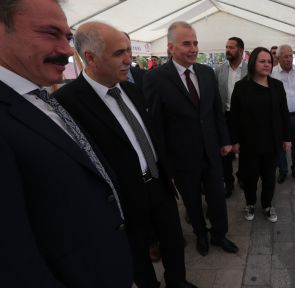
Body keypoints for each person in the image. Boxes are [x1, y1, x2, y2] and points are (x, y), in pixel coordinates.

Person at [0, 0, 133, 286]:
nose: (66, 50)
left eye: (67, 37)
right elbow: (13, 260)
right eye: (50, 33)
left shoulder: (39, 97)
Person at [54, 22, 196, 288]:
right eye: (119, 53)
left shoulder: (131, 88)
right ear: (90, 58)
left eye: (129, 51)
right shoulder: (67, 103)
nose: (129, 59)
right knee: (137, 257)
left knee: (174, 244)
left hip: (158, 184)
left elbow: (149, 133)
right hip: (123, 199)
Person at [143, 21, 238, 257]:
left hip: (212, 150)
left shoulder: (206, 73)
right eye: (187, 44)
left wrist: (225, 140)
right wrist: (165, 165)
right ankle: (201, 235)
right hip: (182, 157)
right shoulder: (155, 78)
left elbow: (216, 111)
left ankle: (219, 234)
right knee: (192, 201)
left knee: (217, 197)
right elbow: (156, 125)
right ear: (171, 47)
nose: (193, 48)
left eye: (195, 43)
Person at [230, 47, 291, 222]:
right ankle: (250, 203)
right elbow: (233, 117)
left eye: (269, 62)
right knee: (250, 177)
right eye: (262, 61)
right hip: (249, 143)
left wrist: (287, 138)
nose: (267, 65)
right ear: (253, 63)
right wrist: (234, 141)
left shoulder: (277, 86)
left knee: (269, 177)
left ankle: (267, 204)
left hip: (272, 142)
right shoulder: (241, 87)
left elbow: (284, 114)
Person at [214, 36, 248, 198]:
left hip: (244, 117)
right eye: (227, 46)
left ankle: (242, 176)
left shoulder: (250, 69)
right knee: (225, 152)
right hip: (225, 116)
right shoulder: (219, 70)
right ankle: (228, 182)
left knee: (245, 149)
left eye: (231, 47)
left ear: (240, 50)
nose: (227, 50)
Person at [272, 44, 295, 184]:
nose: (288, 59)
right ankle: (283, 171)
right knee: (281, 144)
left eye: (290, 56)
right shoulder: (273, 73)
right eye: (285, 56)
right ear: (279, 57)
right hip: (280, 116)